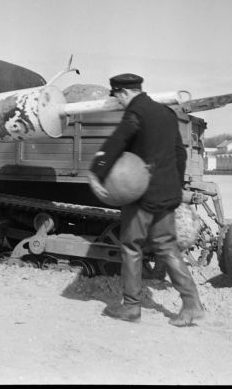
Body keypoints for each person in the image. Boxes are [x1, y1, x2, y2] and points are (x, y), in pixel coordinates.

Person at [88, 73, 205, 326]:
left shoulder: (135, 113)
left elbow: (115, 143)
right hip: (167, 192)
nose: (118, 102)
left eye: (117, 97)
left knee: (131, 246)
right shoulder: (166, 113)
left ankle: (131, 307)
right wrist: (173, 183)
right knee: (166, 246)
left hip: (143, 196)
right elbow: (179, 153)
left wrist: (97, 171)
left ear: (123, 93)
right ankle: (192, 304)